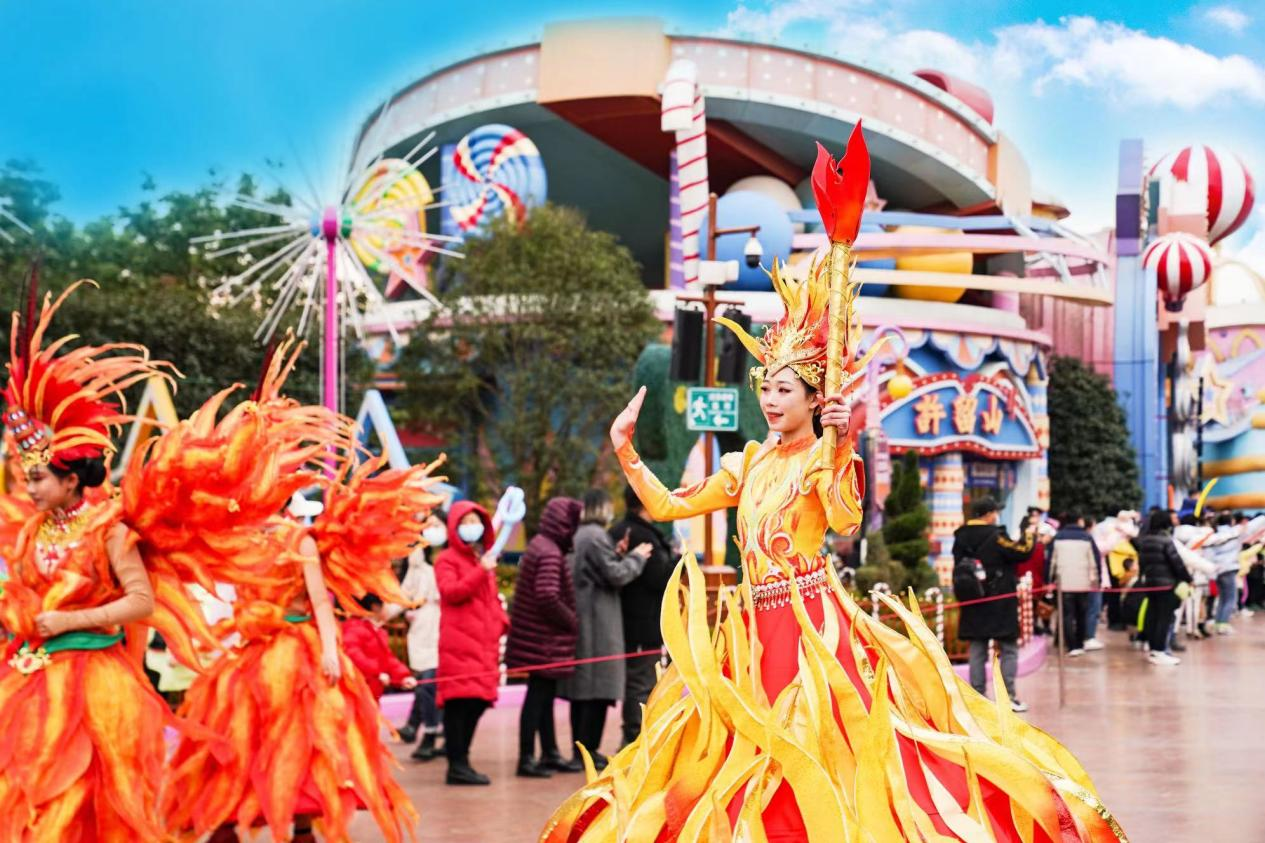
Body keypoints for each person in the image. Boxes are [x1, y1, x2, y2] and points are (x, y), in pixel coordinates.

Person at [542, 258, 1123, 841]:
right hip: (749, 633)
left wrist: (841, 448)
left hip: (811, 626)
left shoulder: (827, 460)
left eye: (784, 389)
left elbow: (845, 519)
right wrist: (626, 449)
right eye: (765, 386)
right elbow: (669, 505)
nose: (770, 400)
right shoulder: (750, 462)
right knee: (743, 746)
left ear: (813, 396)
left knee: (826, 742)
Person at [162, 342, 443, 843]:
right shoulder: (239, 538)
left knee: (299, 748)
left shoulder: (299, 540)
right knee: (240, 746)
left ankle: (298, 825)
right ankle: (235, 819)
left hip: (298, 656)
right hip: (247, 659)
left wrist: (333, 650)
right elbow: (225, 593)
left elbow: (319, 603)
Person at [559, 489, 652, 770]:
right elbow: (615, 574)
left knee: (584, 691)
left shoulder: (581, 535)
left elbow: (601, 566)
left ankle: (583, 749)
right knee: (596, 690)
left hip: (586, 618)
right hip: (598, 623)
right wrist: (637, 557)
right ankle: (588, 750)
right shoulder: (595, 535)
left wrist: (618, 554)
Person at [505, 496, 583, 777]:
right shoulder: (550, 552)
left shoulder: (540, 545)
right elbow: (547, 596)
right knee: (537, 697)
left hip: (535, 637)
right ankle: (527, 758)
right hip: (543, 639)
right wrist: (571, 620)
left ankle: (549, 752)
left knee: (543, 695)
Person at [434, 500, 508, 786]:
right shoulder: (447, 560)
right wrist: (481, 571)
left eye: (475, 521)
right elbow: (451, 592)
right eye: (464, 523)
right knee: (458, 705)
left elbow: (488, 598)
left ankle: (462, 759)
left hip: (482, 645)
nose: (470, 528)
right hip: (459, 644)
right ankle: (457, 763)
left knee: (477, 702)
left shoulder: (481, 558)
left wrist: (502, 622)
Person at [953, 497, 1036, 711]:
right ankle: (1008, 696)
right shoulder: (995, 535)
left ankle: (977, 698)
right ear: (989, 513)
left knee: (977, 647)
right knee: (1009, 648)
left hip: (973, 599)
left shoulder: (960, 536)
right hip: (999, 600)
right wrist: (1027, 530)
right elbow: (1022, 551)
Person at [610, 484, 674, 748]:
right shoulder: (640, 535)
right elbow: (657, 577)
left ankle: (637, 738)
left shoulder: (620, 530)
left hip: (627, 620)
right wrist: (676, 563)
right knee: (641, 683)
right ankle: (635, 741)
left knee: (640, 680)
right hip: (641, 622)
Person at [394, 512, 445, 761]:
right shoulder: (417, 562)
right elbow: (403, 593)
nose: (432, 529)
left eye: (437, 524)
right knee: (426, 681)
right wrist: (387, 612)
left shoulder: (451, 560)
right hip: (423, 630)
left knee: (428, 682)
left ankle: (428, 733)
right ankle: (419, 728)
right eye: (429, 525)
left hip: (445, 631)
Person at [1132, 509, 1192, 665]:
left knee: (1153, 617)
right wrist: (1187, 578)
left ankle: (1153, 649)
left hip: (1151, 585)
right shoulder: (1166, 541)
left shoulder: (1144, 541)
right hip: (1166, 585)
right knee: (1164, 619)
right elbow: (1176, 563)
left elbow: (1142, 564)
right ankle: (1159, 651)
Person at [1048, 513, 1104, 656]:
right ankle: (1080, 643)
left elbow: (1050, 561)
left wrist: (1047, 580)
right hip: (1082, 583)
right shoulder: (1087, 537)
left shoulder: (1058, 537)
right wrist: (1097, 580)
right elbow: (1095, 561)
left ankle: (1072, 646)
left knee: (1067, 615)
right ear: (1079, 521)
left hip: (1064, 584)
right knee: (1081, 614)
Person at [343, 594, 419, 698]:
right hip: (359, 694)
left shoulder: (376, 631)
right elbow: (353, 657)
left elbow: (388, 659)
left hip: (372, 694)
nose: (389, 608)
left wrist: (403, 677)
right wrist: (377, 674)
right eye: (387, 603)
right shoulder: (354, 629)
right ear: (375, 606)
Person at [1209, 513, 1243, 634]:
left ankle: (1218, 622)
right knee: (1230, 598)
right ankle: (1223, 625)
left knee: (1223, 598)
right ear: (1232, 521)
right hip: (1229, 568)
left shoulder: (1214, 535)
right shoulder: (1234, 533)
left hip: (1217, 569)